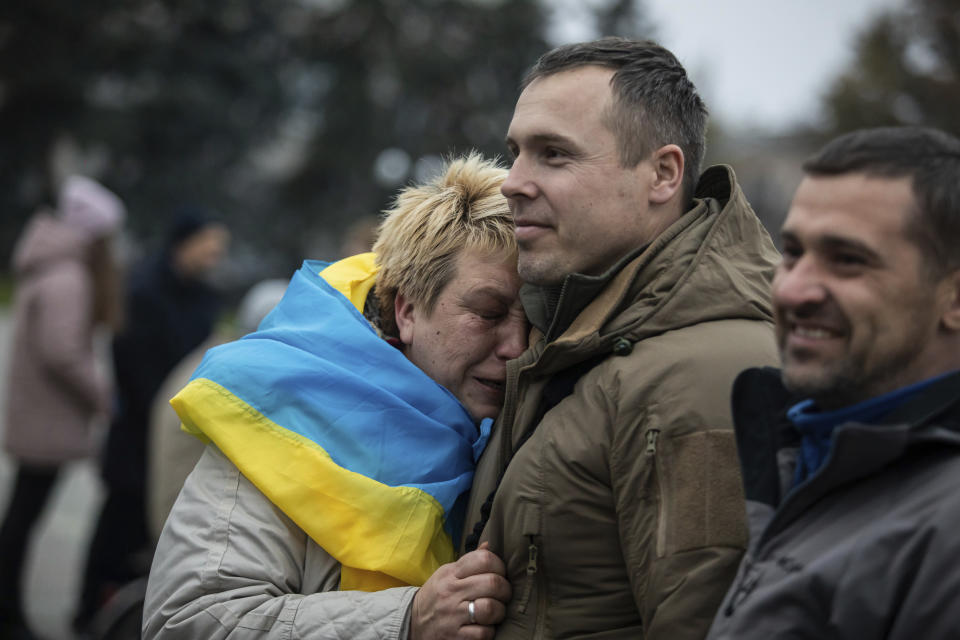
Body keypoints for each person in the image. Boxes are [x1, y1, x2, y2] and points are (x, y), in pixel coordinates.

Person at [459, 37, 781, 638]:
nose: (512, 182)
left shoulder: (707, 377)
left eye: (553, 154)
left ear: (662, 174)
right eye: (516, 152)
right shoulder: (567, 335)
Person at [143, 153, 525, 639]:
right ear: (406, 310)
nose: (517, 346)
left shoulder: (502, 425)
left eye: (533, 320)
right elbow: (187, 621)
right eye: (488, 313)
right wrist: (406, 621)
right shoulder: (282, 414)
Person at [706, 126, 960, 639]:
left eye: (848, 260)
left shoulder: (947, 528)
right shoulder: (804, 453)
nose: (795, 288)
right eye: (793, 252)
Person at [75, 209, 231, 630]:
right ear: (186, 241)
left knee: (147, 535)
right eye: (210, 244)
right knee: (117, 523)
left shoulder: (203, 294)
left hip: (174, 425)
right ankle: (89, 609)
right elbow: (127, 359)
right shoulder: (143, 290)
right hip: (137, 430)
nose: (217, 254)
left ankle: (126, 614)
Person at [0, 176, 125, 640]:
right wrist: (103, 395)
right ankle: (8, 612)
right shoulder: (70, 279)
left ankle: (8, 606)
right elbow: (63, 351)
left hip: (35, 413)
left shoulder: (48, 267)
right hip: (47, 419)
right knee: (23, 520)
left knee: (20, 516)